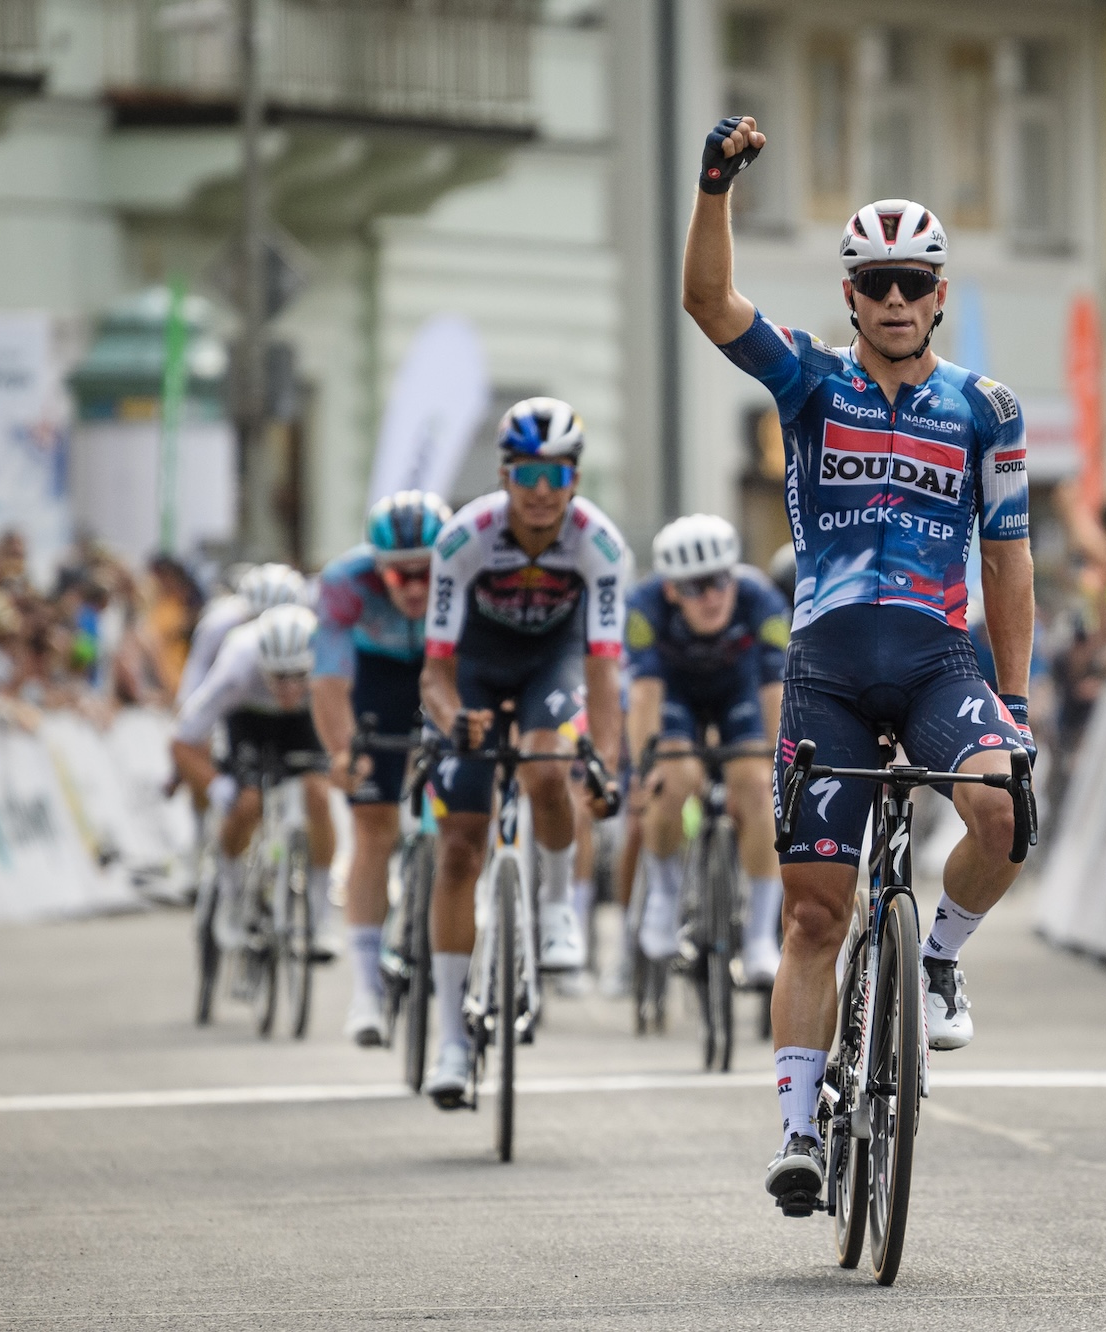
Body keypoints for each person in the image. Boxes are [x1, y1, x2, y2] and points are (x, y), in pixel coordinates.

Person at [683, 116, 1033, 1214]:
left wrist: (1012, 701)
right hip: (828, 669)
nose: (892, 299)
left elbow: (1008, 565)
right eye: (873, 281)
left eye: (911, 282)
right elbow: (708, 303)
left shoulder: (986, 411)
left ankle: (935, 957)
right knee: (813, 916)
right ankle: (797, 1131)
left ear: (938, 294)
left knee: (1004, 811)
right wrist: (713, 188)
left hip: (937, 660)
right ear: (849, 296)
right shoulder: (809, 384)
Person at [418, 397, 626, 1108]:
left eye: (557, 474)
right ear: (506, 475)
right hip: (475, 666)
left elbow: (603, 669)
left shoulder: (599, 544)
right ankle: (450, 1036)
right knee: (457, 847)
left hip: (553, 664)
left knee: (546, 764)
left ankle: (558, 904)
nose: (542, 489)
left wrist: (603, 758)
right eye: (528, 473)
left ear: (573, 478)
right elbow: (436, 672)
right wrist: (452, 723)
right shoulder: (461, 540)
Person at [310, 490, 450, 1046]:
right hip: (376, 679)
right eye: (399, 578)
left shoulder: (464, 573)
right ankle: (366, 990)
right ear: (377, 569)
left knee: (456, 819)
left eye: (425, 574)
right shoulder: (346, 581)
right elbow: (328, 681)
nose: (415, 588)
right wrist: (343, 751)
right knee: (373, 829)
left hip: (442, 670)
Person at [626, 513, 789, 985]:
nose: (712, 596)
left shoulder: (761, 600)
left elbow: (772, 694)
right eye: (695, 588)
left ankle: (759, 934)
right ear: (672, 590)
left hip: (738, 692)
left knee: (759, 786)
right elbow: (644, 697)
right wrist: (646, 769)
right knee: (673, 781)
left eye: (719, 582)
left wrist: (781, 766)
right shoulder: (644, 607)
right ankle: (664, 892)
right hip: (674, 694)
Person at [170, 603, 336, 956]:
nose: (290, 688)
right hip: (249, 720)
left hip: (306, 721)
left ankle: (320, 916)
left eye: (298, 676)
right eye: (279, 677)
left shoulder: (330, 662)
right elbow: (182, 741)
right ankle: (230, 900)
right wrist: (216, 786)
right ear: (262, 665)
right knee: (246, 803)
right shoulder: (237, 669)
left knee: (319, 796)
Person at [177, 563, 305, 705]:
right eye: (256, 620)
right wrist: (186, 703)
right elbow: (199, 666)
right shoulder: (223, 629)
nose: (271, 630)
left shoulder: (313, 634)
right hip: (242, 702)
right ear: (244, 610)